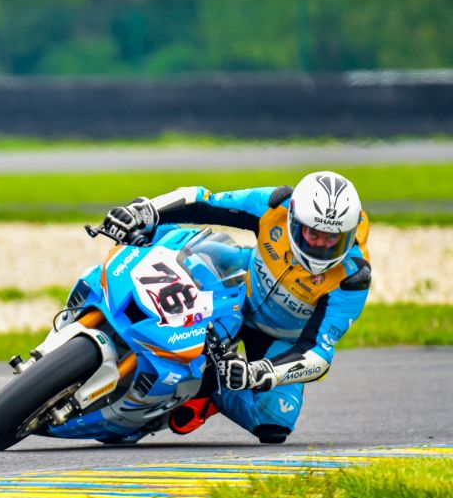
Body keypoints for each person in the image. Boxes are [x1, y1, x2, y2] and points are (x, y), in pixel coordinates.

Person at [101, 171, 371, 443]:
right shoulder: (274, 205)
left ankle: (209, 387)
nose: (321, 246)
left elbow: (318, 354)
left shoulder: (353, 277)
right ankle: (110, 292)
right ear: (293, 218)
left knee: (274, 423)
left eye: (332, 239)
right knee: (165, 235)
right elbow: (205, 201)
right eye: (313, 233)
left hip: (279, 337)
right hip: (237, 282)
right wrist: (145, 211)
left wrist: (259, 373)